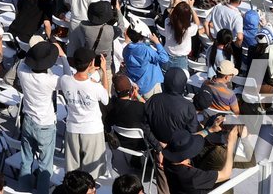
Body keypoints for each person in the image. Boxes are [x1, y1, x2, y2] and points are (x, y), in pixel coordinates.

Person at [15, 41, 66, 193]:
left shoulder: (22, 71)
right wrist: (63, 56)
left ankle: (23, 190)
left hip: (28, 121)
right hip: (45, 125)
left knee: (26, 160)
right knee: (45, 165)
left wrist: (34, 52)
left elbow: (24, 61)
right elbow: (68, 79)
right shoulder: (51, 80)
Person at [59, 47, 111, 177]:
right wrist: (104, 71)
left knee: (72, 172)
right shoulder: (95, 87)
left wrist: (89, 73)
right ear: (91, 63)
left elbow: (78, 80)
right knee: (91, 173)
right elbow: (106, 99)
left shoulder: (65, 80)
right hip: (92, 130)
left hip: (72, 129)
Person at [162, 120, 243, 194]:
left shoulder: (169, 159)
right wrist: (230, 144)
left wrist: (209, 130)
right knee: (226, 186)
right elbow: (225, 175)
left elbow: (187, 142)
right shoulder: (191, 175)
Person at [122, 18, 168, 98]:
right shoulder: (146, 51)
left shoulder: (126, 49)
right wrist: (157, 42)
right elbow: (164, 58)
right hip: (150, 87)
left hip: (136, 87)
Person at [162, 0, 200, 70]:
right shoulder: (188, 30)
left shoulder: (167, 23)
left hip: (166, 58)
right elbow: (197, 23)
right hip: (181, 61)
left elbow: (170, 16)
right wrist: (192, 7)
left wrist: (174, 5)